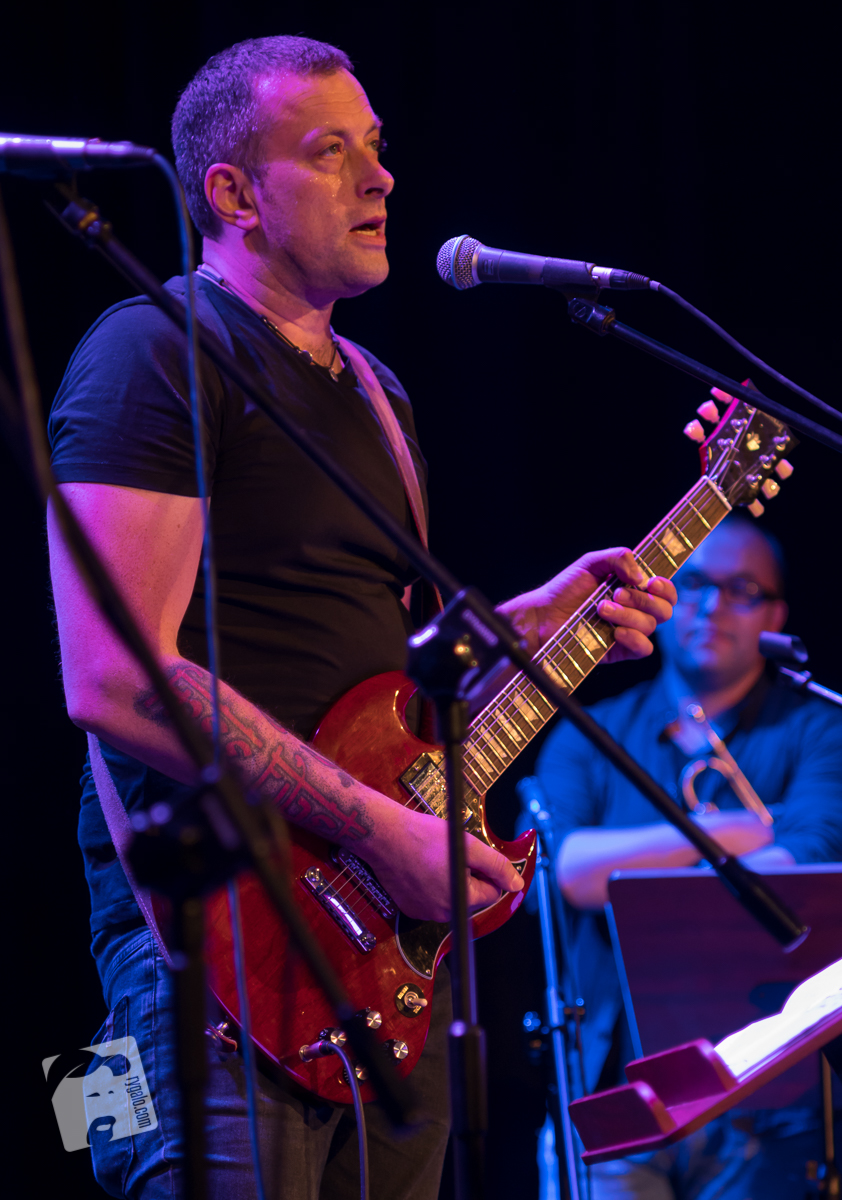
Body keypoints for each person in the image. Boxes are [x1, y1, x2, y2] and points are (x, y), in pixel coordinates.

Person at [46, 34, 677, 1200]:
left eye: (376, 149)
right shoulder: (152, 353)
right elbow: (113, 677)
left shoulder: (378, 393)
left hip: (379, 965)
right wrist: (385, 833)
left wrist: (537, 624)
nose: (381, 178)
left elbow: (386, 686)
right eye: (330, 152)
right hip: (207, 968)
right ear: (233, 194)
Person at [533, 514, 842, 1199]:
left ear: (777, 615)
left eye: (743, 590)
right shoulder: (586, 734)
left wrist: (627, 873)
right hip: (615, 1094)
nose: (712, 606)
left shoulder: (822, 729)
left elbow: (805, 869)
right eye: (694, 583)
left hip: (772, 1101)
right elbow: (564, 869)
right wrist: (737, 831)